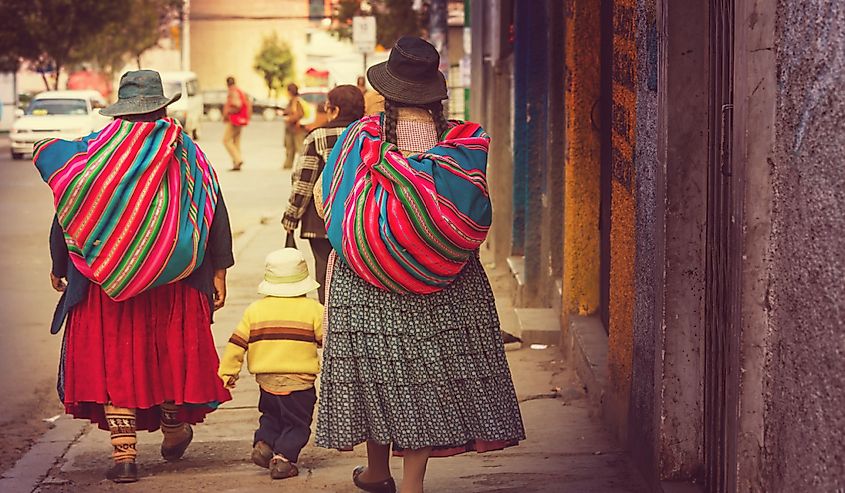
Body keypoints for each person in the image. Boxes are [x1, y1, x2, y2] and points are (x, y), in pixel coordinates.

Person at [315, 37, 525, 493]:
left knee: (377, 371)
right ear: (435, 92)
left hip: (367, 281)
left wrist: (374, 238)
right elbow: (472, 209)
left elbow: (330, 203)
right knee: (424, 378)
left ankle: (377, 471)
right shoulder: (461, 143)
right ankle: (411, 482)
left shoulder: (360, 138)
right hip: (446, 280)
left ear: (387, 92)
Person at [34, 70, 233, 483]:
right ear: (162, 108)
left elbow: (68, 210)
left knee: (117, 361)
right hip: (174, 281)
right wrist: (219, 272)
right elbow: (214, 212)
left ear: (120, 112)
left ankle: (124, 457)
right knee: (168, 355)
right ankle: (175, 429)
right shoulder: (186, 152)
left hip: (106, 285)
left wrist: (60, 264)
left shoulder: (93, 154)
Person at [218, 248, 324, 480]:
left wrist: (228, 372)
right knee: (297, 422)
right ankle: (283, 458)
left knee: (271, 414)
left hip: (266, 381)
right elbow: (328, 340)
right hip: (298, 382)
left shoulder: (255, 310)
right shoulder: (314, 311)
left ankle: (264, 443)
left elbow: (237, 342)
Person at [282, 85, 364, 304]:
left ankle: (328, 325)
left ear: (334, 110)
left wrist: (291, 217)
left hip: (322, 224)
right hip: (362, 220)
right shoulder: (370, 135)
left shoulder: (317, 137)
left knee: (325, 274)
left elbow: (303, 183)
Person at [223, 76, 251, 171]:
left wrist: (228, 112)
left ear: (227, 84)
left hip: (235, 120)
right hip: (241, 120)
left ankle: (238, 159)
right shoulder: (240, 90)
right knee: (236, 142)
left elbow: (237, 104)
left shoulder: (233, 92)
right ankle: (236, 164)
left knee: (226, 140)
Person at [283, 83, 305, 169]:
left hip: (297, 129)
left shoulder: (297, 101)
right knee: (289, 147)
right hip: (290, 128)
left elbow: (299, 114)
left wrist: (289, 118)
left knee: (299, 148)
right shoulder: (291, 101)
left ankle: (302, 165)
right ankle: (288, 165)